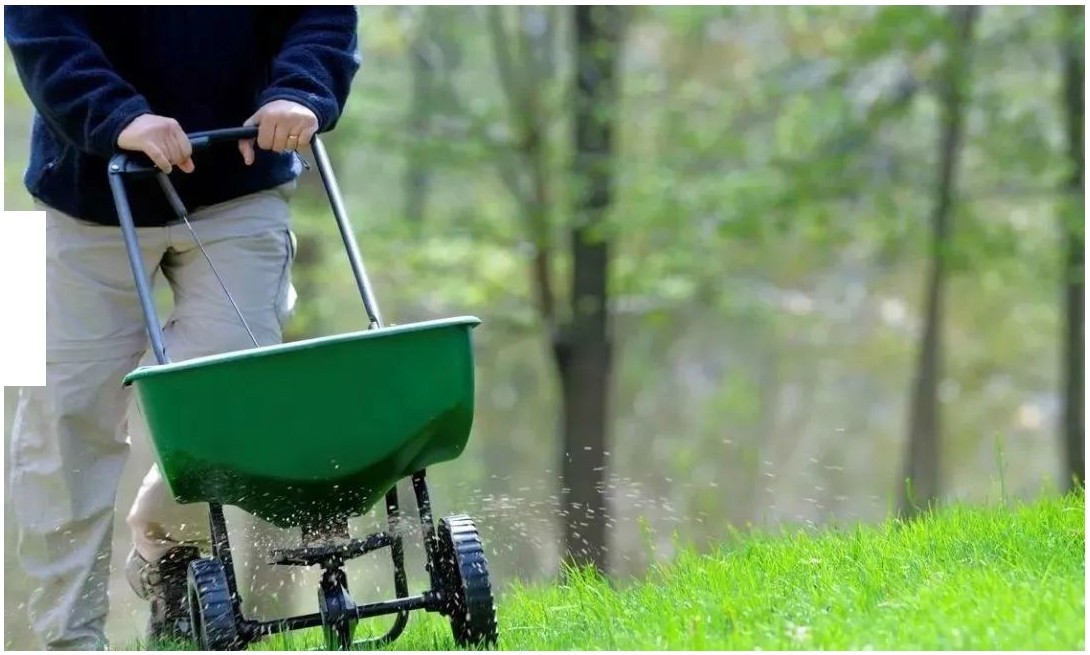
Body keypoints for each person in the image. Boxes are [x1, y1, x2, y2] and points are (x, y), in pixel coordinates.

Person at [4, 7, 360, 650]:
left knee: (233, 401)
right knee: (54, 428)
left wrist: (302, 88)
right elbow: (34, 26)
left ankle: (172, 554)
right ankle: (62, 641)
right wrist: (117, 116)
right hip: (70, 188)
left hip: (241, 179)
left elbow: (323, 15)